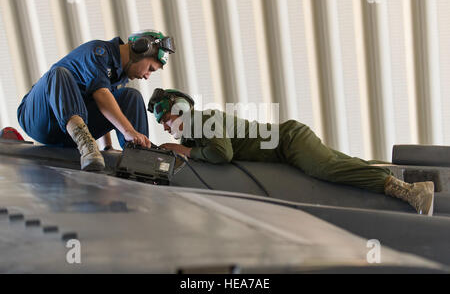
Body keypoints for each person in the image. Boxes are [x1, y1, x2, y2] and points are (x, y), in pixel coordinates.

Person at [148, 88, 435, 216]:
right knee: (337, 163)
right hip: (288, 143)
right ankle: (396, 182)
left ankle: (407, 190)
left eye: (167, 120)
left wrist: (182, 149)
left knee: (325, 169)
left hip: (288, 141)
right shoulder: (200, 130)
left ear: (180, 110)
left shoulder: (203, 119)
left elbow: (222, 154)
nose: (166, 128)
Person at [17, 30, 175, 171]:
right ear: (140, 49)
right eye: (150, 69)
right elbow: (101, 94)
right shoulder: (98, 52)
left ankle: (139, 159)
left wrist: (107, 146)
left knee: (131, 96)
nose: (147, 76)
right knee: (58, 74)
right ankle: (86, 145)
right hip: (41, 119)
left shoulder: (120, 74)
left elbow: (106, 103)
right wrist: (128, 131)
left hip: (67, 134)